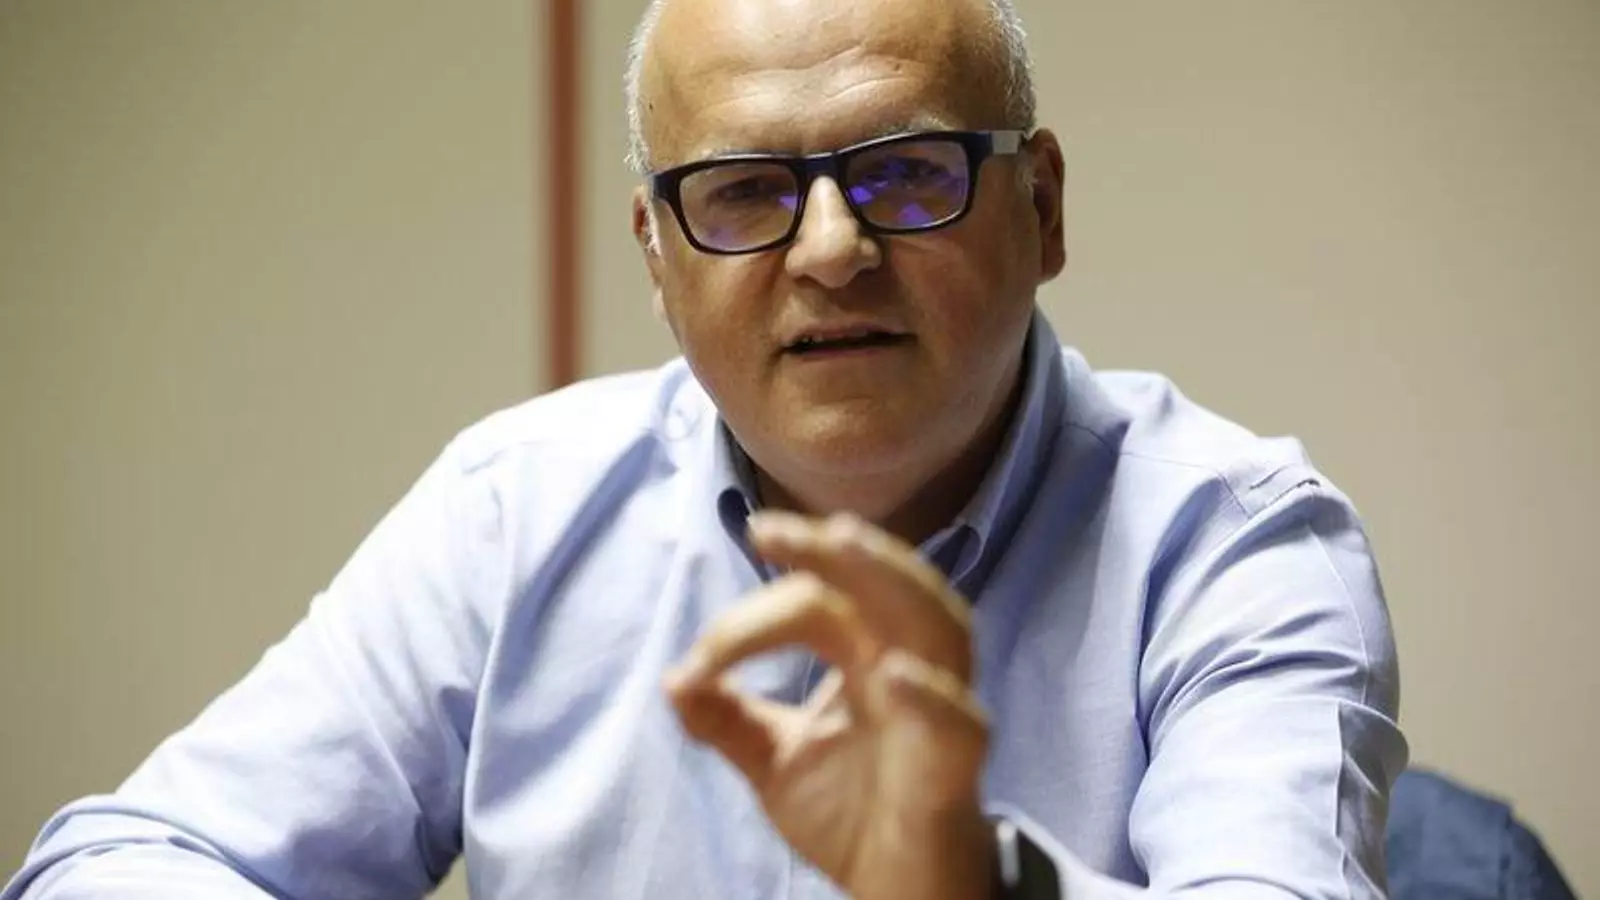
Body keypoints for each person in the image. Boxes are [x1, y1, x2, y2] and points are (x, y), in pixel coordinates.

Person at [2, 0, 1407, 897]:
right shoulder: (518, 512)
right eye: (743, 193)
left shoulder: (1239, 543)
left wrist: (969, 884)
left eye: (906, 173)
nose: (834, 251)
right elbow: (122, 862)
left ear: (1039, 207)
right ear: (658, 261)